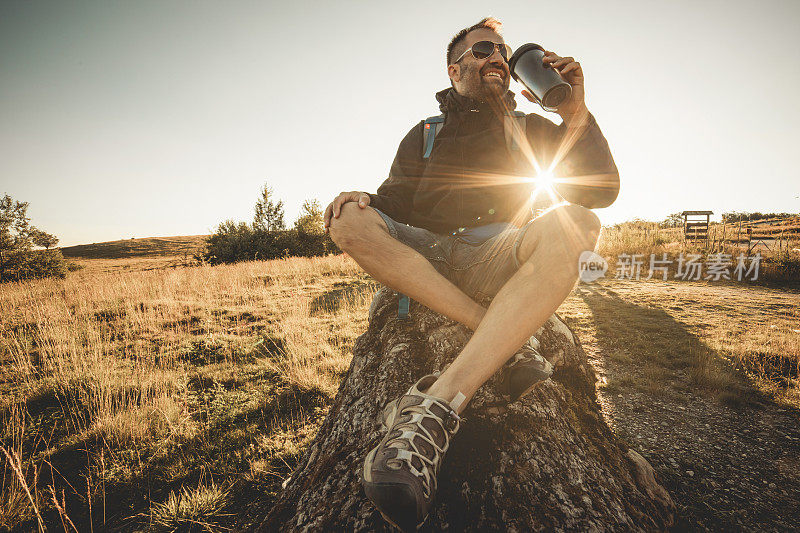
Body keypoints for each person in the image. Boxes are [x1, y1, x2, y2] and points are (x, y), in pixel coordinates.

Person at [324, 17, 619, 531]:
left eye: (504, 54)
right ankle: (503, 334)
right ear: (454, 68)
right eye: (484, 51)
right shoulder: (425, 134)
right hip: (428, 256)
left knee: (578, 222)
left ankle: (436, 405)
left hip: (498, 256)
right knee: (347, 219)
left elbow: (601, 191)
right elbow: (393, 201)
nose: (498, 59)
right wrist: (363, 199)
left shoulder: (528, 128)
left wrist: (576, 113)